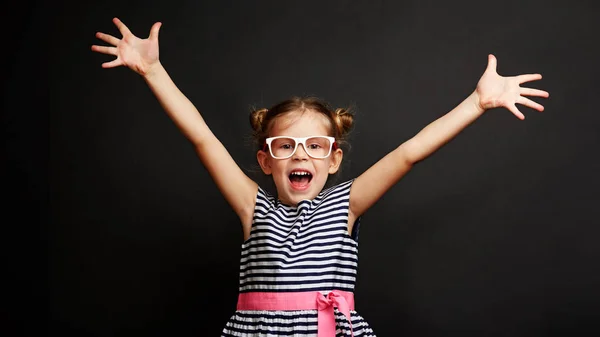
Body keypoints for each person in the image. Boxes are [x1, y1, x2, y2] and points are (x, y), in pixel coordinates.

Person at [91, 17, 549, 337]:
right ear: (266, 160)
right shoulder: (253, 207)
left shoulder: (346, 204)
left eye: (315, 146)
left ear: (332, 160)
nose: (299, 155)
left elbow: (410, 154)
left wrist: (475, 103)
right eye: (284, 146)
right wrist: (153, 72)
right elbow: (202, 139)